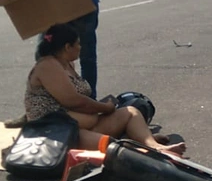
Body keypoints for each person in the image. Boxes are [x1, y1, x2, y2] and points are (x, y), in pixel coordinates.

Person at [26, 24, 186, 156]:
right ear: (67, 47)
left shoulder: (68, 64)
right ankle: (143, 148)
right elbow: (73, 101)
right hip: (59, 133)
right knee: (111, 147)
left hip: (82, 125)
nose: (80, 47)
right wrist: (105, 108)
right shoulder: (48, 66)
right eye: (78, 44)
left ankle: (153, 145)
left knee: (131, 112)